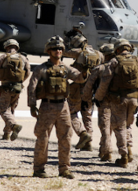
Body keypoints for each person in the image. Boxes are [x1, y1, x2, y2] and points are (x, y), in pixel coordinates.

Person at [27, 36, 86, 179]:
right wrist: (32, 105)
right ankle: (39, 169)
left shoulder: (65, 68)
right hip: (47, 106)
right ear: (49, 51)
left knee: (66, 138)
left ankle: (64, 169)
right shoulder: (41, 69)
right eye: (54, 48)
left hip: (63, 107)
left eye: (60, 48)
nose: (58, 51)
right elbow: (32, 88)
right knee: (43, 138)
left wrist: (86, 70)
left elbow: (79, 78)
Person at [94, 39, 138, 168]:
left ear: (118, 49)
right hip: (134, 99)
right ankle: (129, 149)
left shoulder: (114, 62)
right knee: (127, 125)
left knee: (119, 127)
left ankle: (123, 155)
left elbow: (105, 82)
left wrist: (98, 97)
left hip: (118, 99)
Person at [63, 33, 102, 151]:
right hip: (91, 90)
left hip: (77, 89)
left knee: (71, 113)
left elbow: (62, 51)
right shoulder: (98, 54)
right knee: (87, 115)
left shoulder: (78, 52)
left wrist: (64, 41)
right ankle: (88, 143)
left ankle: (82, 133)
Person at [0, 39, 31, 141]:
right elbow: (28, 72)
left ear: (6, 47)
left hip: (6, 87)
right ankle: (6, 134)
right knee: (11, 110)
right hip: (18, 88)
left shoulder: (3, 57)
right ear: (17, 47)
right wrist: (20, 82)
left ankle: (14, 125)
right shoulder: (23, 58)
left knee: (3, 110)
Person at [82, 43, 116, 161]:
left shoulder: (100, 68)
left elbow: (89, 86)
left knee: (105, 127)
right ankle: (124, 151)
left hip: (104, 101)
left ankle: (107, 153)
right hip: (119, 101)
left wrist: (86, 99)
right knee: (120, 127)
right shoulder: (119, 67)